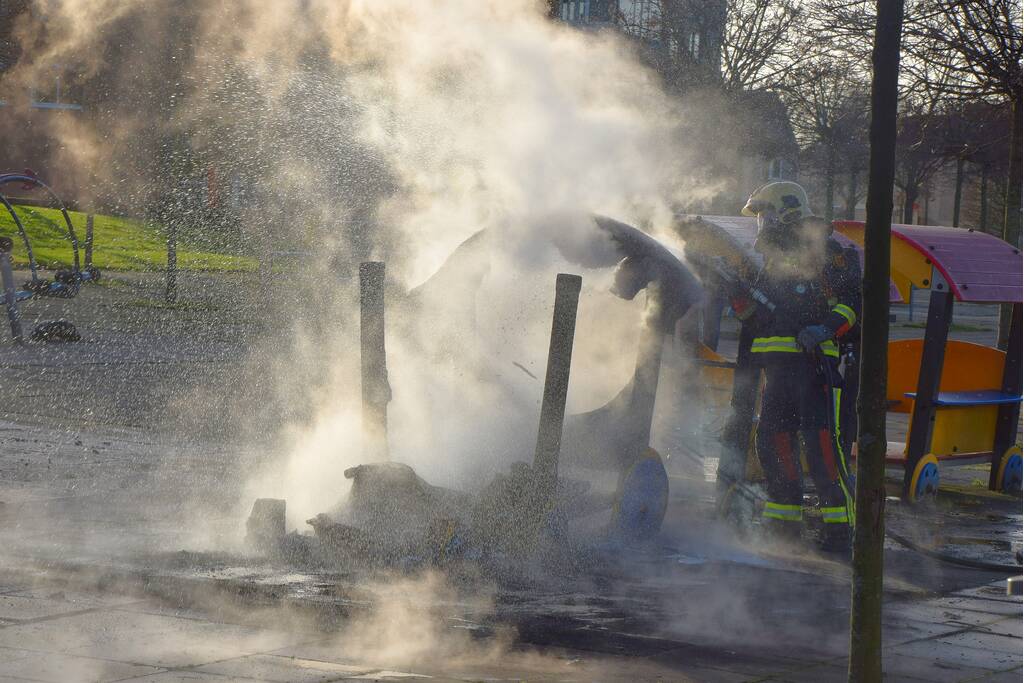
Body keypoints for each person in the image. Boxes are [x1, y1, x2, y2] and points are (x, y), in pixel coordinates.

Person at [733, 181, 861, 553]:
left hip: (816, 370)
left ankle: (839, 534)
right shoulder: (768, 263)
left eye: (765, 214)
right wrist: (737, 294)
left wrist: (825, 329)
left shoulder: (824, 251)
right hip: (778, 372)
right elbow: (755, 318)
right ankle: (784, 531)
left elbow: (853, 302)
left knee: (822, 451)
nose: (762, 223)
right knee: (773, 445)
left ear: (787, 210)